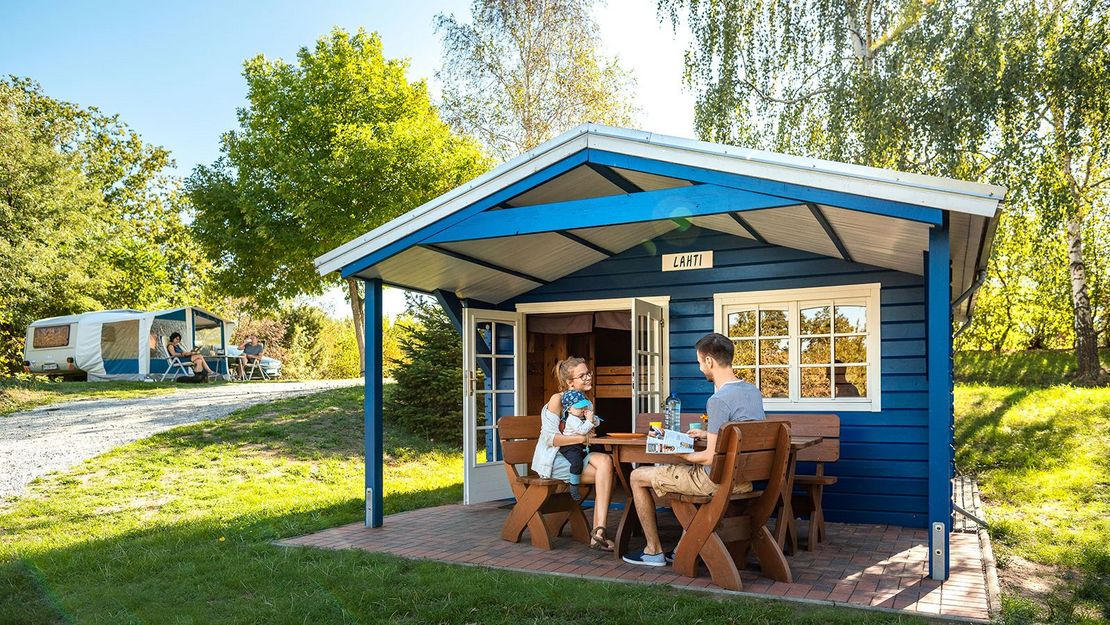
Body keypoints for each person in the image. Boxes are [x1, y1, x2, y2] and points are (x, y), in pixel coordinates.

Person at [622, 332, 766, 567]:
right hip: (744, 479)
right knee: (681, 469)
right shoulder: (752, 392)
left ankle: (653, 550)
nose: (700, 368)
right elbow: (739, 431)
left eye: (700, 362)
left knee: (637, 476)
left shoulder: (718, 400)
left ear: (709, 361)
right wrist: (707, 432)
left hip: (715, 482)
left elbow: (709, 457)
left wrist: (680, 451)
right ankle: (682, 548)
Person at [531, 356, 616, 551]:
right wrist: (582, 438)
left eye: (588, 373)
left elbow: (584, 430)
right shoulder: (557, 400)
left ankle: (599, 532)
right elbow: (550, 439)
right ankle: (598, 534)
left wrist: (588, 431)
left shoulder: (585, 401)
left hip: (577, 455)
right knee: (606, 474)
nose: (588, 377)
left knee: (606, 461)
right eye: (582, 375)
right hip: (554, 459)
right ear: (570, 382)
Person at [558, 391, 601, 501]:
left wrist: (593, 418)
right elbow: (582, 430)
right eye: (579, 408)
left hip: (581, 444)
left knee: (598, 449)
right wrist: (589, 420)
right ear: (568, 409)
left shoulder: (581, 416)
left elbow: (597, 423)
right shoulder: (571, 419)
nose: (582, 410)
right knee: (577, 462)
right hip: (570, 446)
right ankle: (574, 486)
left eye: (583, 407)